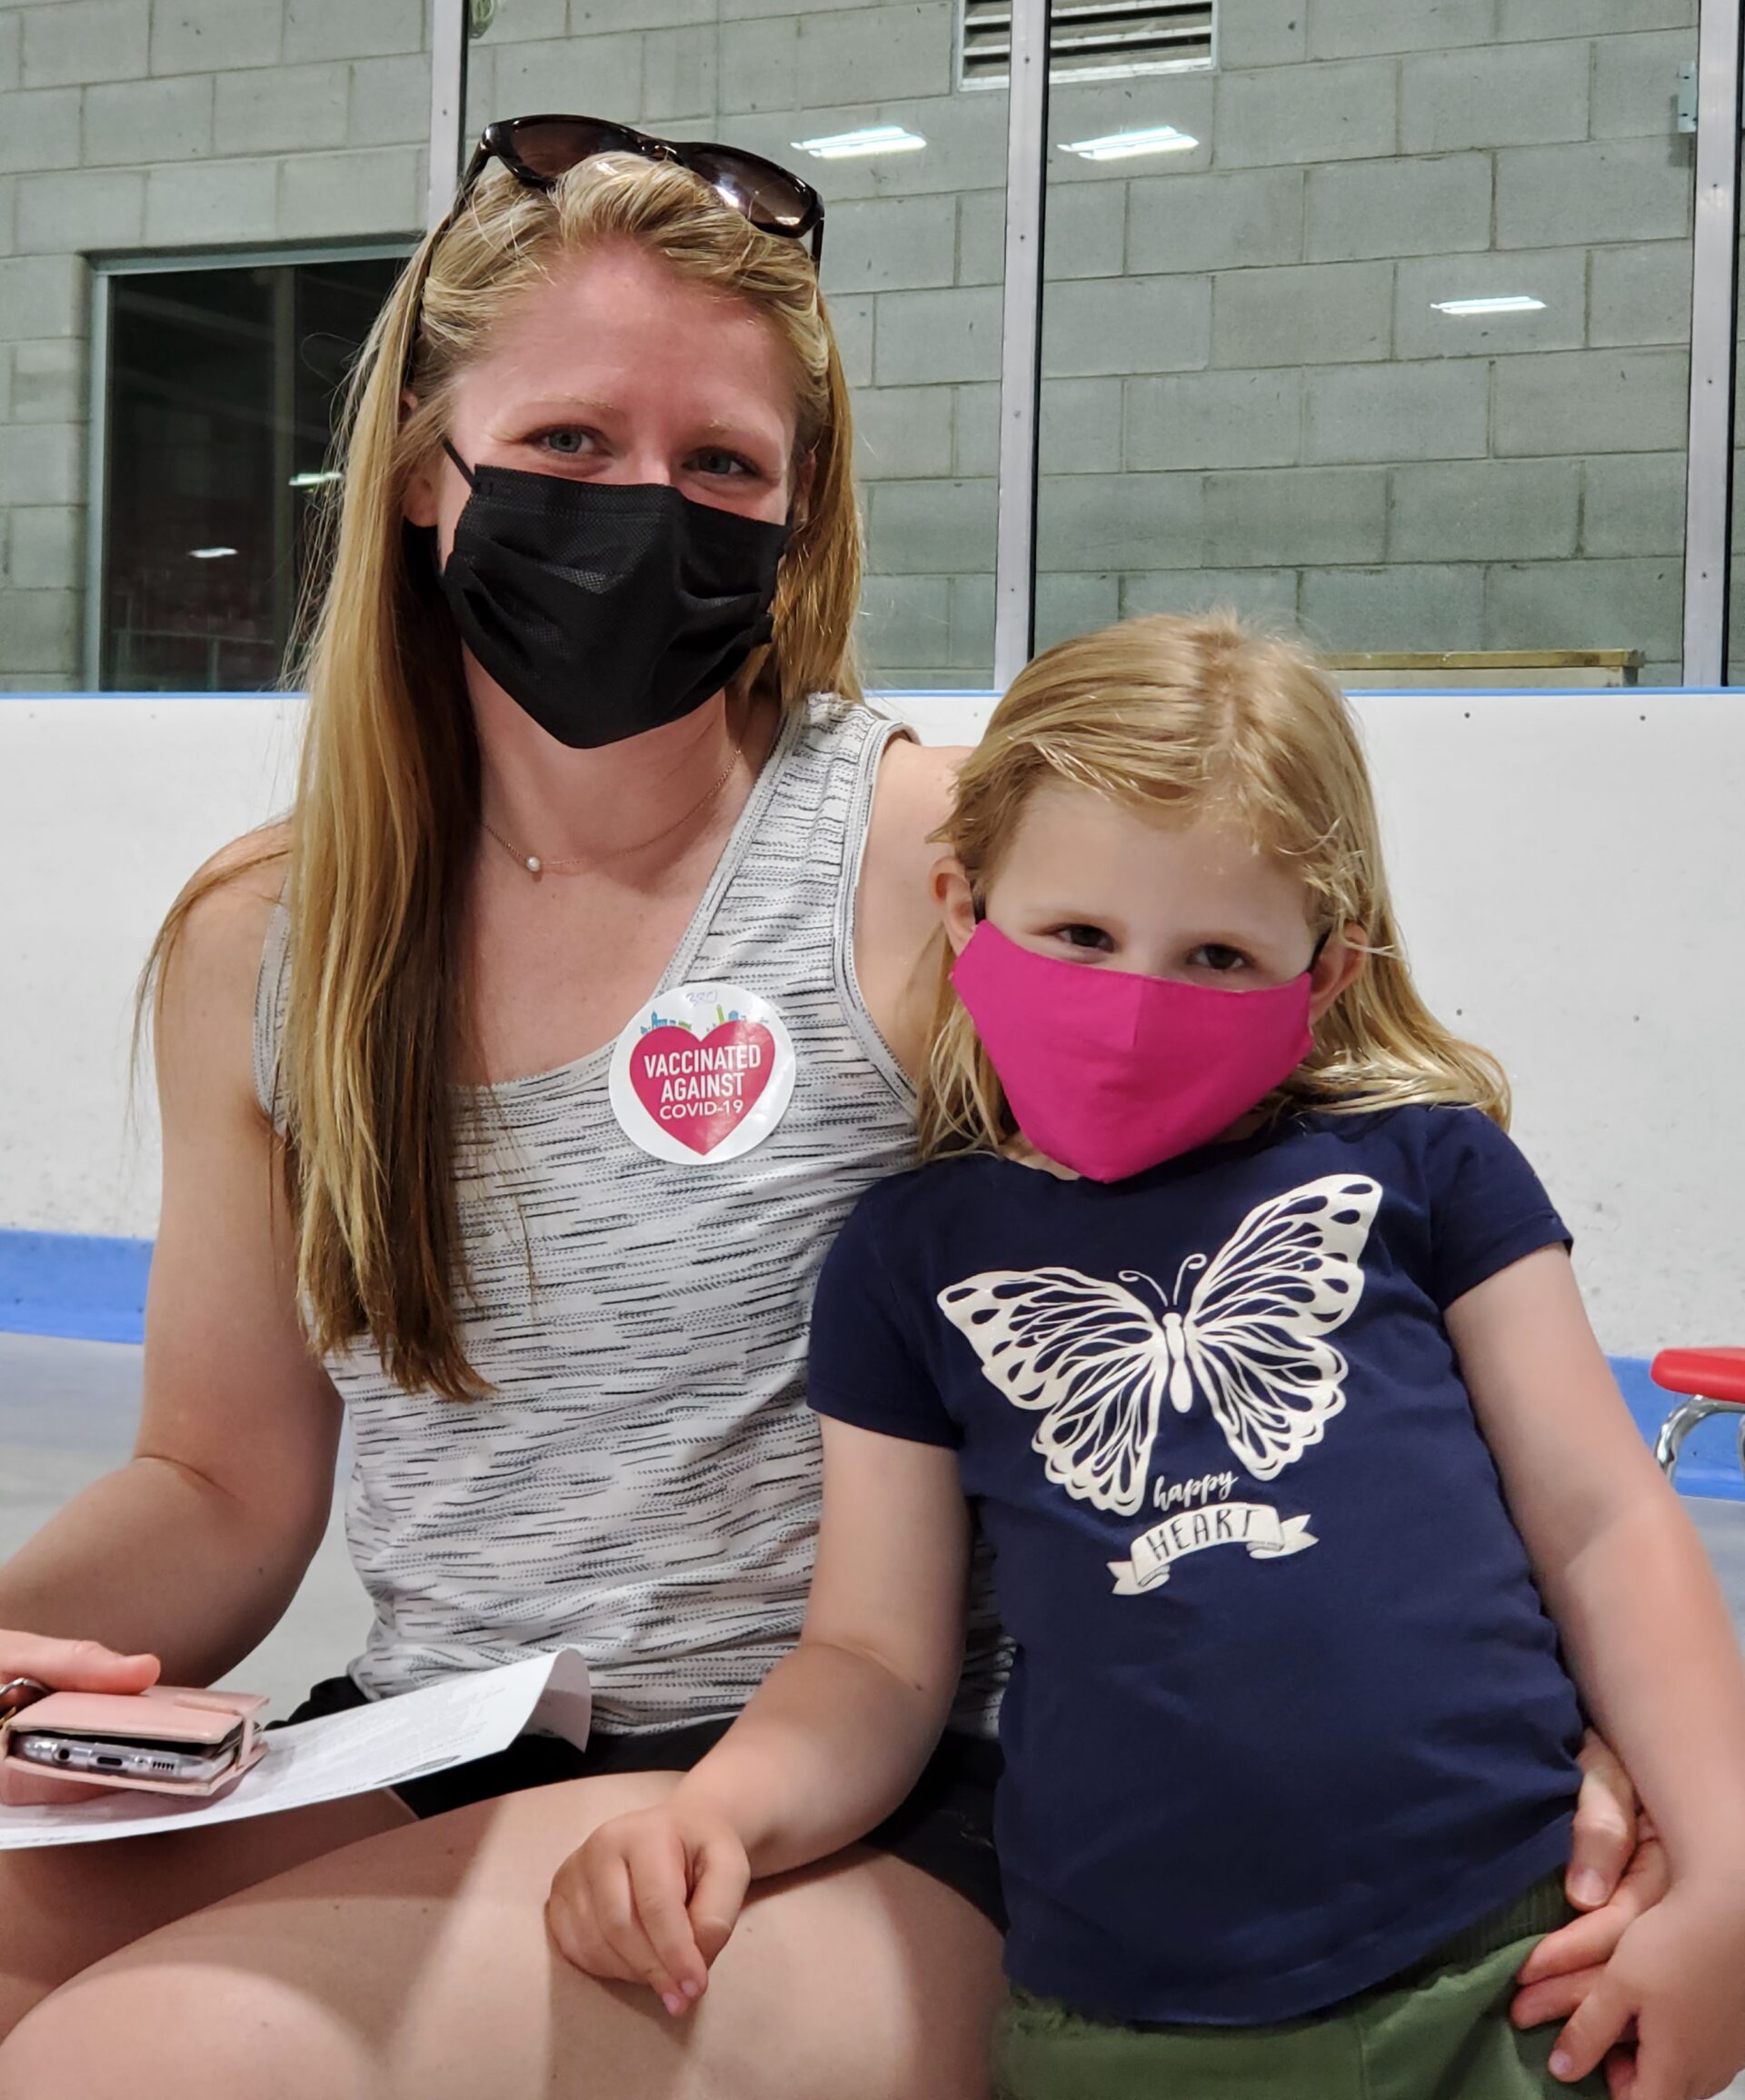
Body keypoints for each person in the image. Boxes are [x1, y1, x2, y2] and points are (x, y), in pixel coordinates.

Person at [0, 133, 1654, 2097]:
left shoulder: (940, 864)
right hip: (435, 1731)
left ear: (797, 514)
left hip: (886, 1791)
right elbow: (218, 1484)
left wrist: (1588, 1709)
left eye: (721, 467)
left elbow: (1374, 1252)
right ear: (429, 476)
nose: (643, 508)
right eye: (572, 441)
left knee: (146, 2059)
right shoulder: (274, 937)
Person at [546, 615, 1745, 2100]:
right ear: (964, 903)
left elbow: (1604, 1518)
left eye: (1221, 955)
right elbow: (875, 1653)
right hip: (1119, 2034)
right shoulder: (911, 1260)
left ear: (1328, 966)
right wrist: (718, 1813)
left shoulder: (1434, 1176)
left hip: (1515, 1967)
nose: (1138, 1001)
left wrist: (1730, 1867)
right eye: (1080, 937)